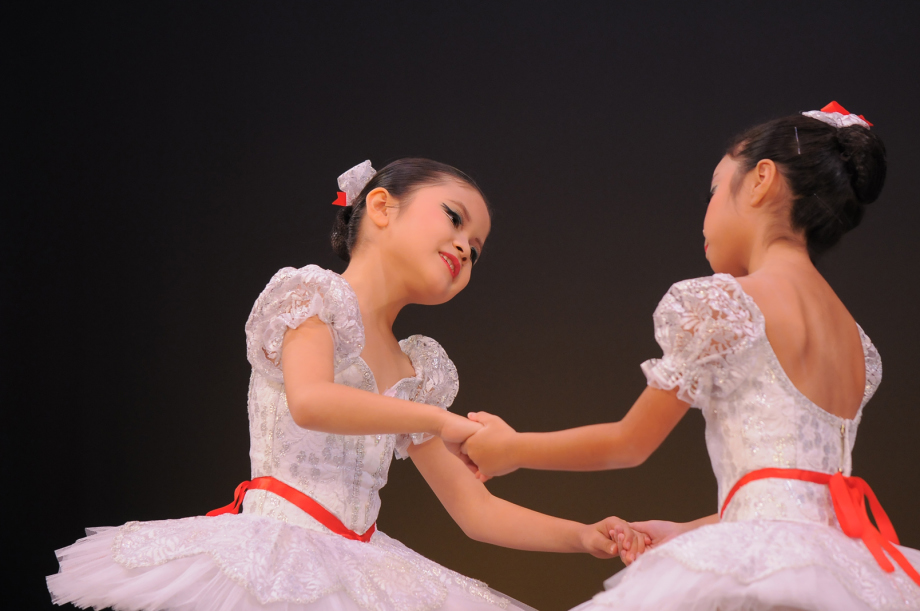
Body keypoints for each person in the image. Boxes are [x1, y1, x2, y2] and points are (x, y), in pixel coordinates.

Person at [46, 158, 641, 611]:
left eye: (477, 251)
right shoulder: (310, 296)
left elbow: (475, 511)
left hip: (362, 564)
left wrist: (582, 536)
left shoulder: (417, 371)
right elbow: (311, 402)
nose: (465, 247)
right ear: (381, 207)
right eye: (454, 218)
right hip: (276, 546)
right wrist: (437, 421)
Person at [461, 103, 920, 610]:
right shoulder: (858, 343)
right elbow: (796, 502)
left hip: (768, 570)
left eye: (714, 190)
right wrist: (686, 531)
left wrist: (512, 449)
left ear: (761, 181)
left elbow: (630, 443)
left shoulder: (724, 304)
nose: (706, 212)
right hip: (841, 570)